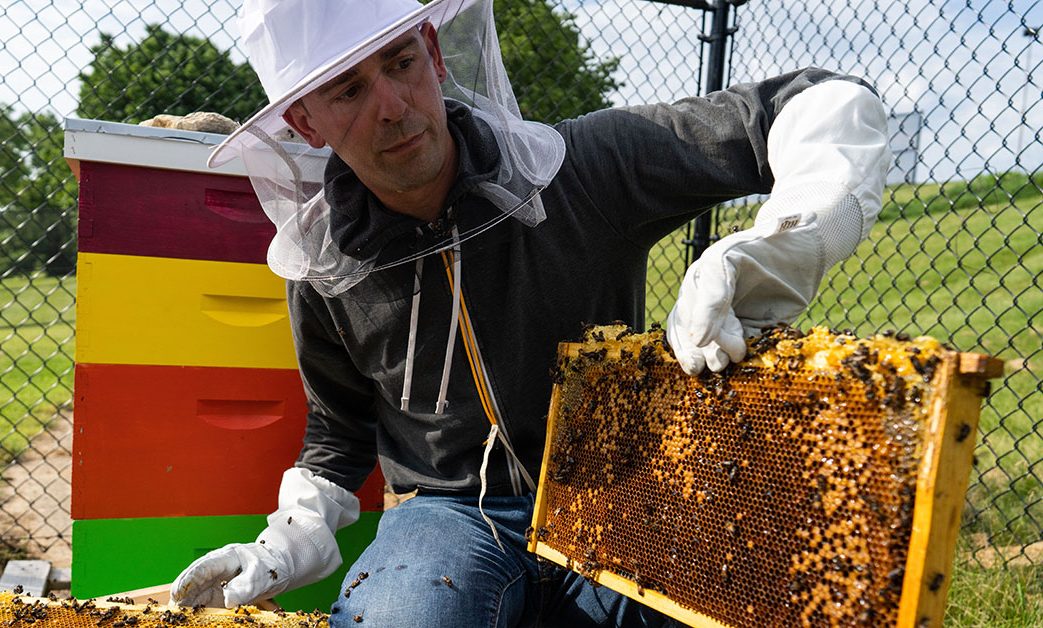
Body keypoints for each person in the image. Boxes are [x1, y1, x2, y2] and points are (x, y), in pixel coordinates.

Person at [169, 0, 892, 625]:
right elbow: (339, 430)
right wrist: (290, 537)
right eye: (349, 90)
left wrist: (782, 248)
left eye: (399, 62)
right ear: (305, 121)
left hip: (617, 489)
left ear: (433, 53)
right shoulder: (327, 271)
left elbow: (819, 102)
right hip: (443, 518)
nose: (390, 105)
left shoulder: (584, 167)